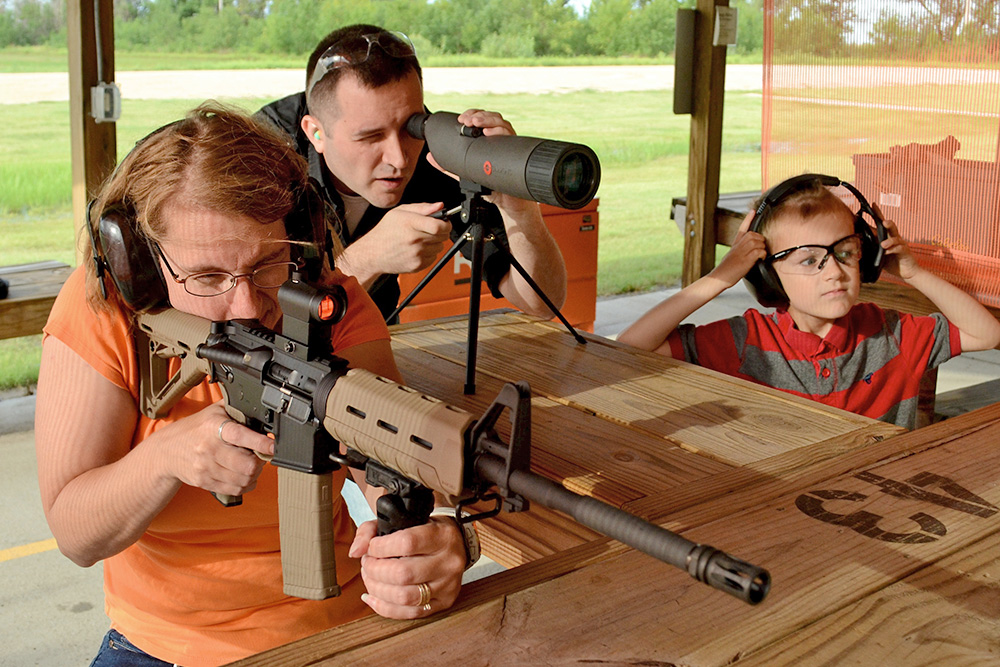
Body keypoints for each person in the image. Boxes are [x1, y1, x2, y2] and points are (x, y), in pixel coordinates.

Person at [34, 104, 470, 667]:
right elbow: (76, 534)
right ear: (139, 264)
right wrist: (167, 457)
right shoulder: (107, 309)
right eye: (207, 277)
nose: (245, 306)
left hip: (337, 631)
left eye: (267, 265)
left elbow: (389, 458)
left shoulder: (328, 303)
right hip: (161, 646)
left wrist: (433, 543)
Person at [618, 174, 1000, 430]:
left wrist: (913, 272)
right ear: (767, 274)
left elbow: (987, 333)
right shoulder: (746, 342)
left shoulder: (892, 334)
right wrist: (722, 276)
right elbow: (630, 349)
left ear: (868, 255)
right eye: (808, 259)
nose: (833, 271)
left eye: (846, 252)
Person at [257, 24, 567, 323]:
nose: (400, 158)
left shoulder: (432, 154)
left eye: (411, 127)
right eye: (371, 137)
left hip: (374, 340)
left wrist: (519, 209)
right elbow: (254, 317)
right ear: (316, 134)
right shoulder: (261, 157)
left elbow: (542, 303)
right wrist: (367, 259)